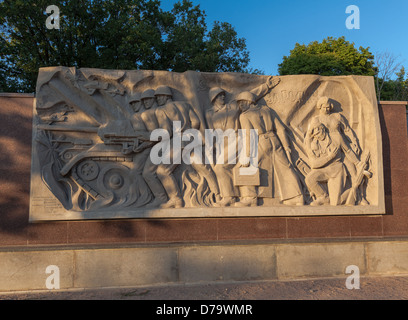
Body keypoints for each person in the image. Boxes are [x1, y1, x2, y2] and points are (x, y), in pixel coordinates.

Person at [205, 76, 278, 206]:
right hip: (223, 144)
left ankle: (232, 197)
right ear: (213, 98)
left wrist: (266, 86)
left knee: (223, 167)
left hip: (237, 140)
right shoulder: (209, 113)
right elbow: (211, 131)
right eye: (220, 96)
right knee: (228, 167)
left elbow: (250, 96)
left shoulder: (233, 106)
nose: (223, 97)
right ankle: (239, 197)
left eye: (223, 95)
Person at [236, 91, 304, 207]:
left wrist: (246, 156)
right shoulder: (267, 110)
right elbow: (280, 129)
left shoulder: (245, 116)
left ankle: (250, 198)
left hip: (261, 141)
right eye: (239, 103)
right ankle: (297, 198)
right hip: (274, 140)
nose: (240, 106)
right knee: (285, 167)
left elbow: (248, 136)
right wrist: (286, 146)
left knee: (247, 166)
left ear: (249, 101)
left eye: (242, 102)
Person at [304, 96, 361, 206]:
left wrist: (354, 143)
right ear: (319, 107)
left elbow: (347, 131)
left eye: (328, 107)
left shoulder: (337, 118)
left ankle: (356, 194)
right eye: (324, 107)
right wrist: (310, 147)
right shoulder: (315, 121)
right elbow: (308, 137)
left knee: (353, 173)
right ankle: (323, 197)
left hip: (339, 156)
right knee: (310, 179)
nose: (326, 109)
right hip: (325, 160)